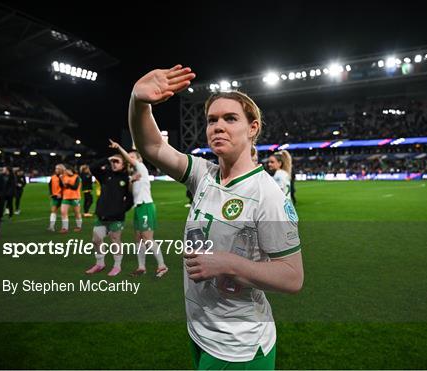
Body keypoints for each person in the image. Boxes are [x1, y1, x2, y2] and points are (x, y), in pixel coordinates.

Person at [129, 65, 303, 369]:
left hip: (239, 346)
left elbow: (293, 276)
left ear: (253, 128)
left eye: (230, 118)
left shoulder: (268, 194)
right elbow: (152, 146)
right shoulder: (203, 175)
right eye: (212, 120)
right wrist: (138, 101)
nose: (218, 126)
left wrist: (229, 264)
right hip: (201, 332)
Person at [108, 139, 168, 278]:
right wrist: (131, 180)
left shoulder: (141, 167)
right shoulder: (134, 174)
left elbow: (128, 159)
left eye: (133, 157)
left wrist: (119, 147)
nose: (130, 159)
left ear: (138, 159)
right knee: (138, 239)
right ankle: (141, 267)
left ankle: (162, 265)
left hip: (146, 206)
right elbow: (129, 191)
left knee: (147, 238)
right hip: (138, 208)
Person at [85, 154, 133, 277]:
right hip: (102, 216)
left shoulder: (126, 179)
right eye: (113, 162)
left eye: (117, 161)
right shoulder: (105, 175)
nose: (114, 163)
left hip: (116, 218)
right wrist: (107, 158)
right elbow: (92, 167)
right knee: (96, 240)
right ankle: (100, 263)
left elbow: (130, 199)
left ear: (123, 164)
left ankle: (117, 266)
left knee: (115, 241)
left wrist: (121, 210)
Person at [59, 165, 82, 233]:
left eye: (67, 170)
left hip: (75, 197)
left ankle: (79, 226)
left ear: (70, 170)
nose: (65, 171)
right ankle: (65, 228)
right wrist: (61, 179)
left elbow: (75, 187)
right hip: (66, 197)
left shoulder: (77, 177)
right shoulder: (64, 176)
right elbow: (61, 186)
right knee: (63, 212)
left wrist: (67, 184)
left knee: (77, 213)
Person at [48, 164, 64, 232]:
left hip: (63, 196)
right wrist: (51, 193)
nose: (56, 170)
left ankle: (64, 227)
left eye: (58, 168)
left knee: (63, 212)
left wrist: (61, 194)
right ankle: (51, 226)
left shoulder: (64, 177)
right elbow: (50, 185)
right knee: (53, 210)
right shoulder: (53, 177)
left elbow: (65, 186)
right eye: (56, 168)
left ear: (61, 169)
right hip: (55, 196)